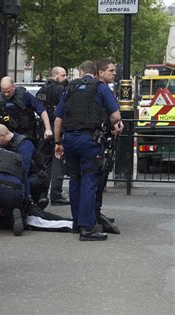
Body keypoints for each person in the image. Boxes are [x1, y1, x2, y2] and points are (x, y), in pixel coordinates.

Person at [54, 60, 123, 241]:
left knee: (75, 180)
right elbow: (116, 115)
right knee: (89, 181)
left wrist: (57, 142)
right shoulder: (100, 87)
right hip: (89, 140)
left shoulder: (69, 88)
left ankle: (77, 223)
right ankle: (87, 228)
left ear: (81, 72)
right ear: (96, 73)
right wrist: (113, 124)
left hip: (69, 139)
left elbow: (58, 119)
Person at [36, 67, 70, 206]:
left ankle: (43, 194)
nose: (65, 77)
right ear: (55, 76)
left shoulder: (41, 91)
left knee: (45, 163)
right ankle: (56, 194)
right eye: (63, 75)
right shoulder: (60, 90)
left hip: (43, 128)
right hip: (56, 127)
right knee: (58, 161)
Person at [94, 58, 121, 234]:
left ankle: (93, 213)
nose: (114, 73)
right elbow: (115, 116)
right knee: (99, 176)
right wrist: (114, 125)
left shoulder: (93, 88)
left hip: (86, 137)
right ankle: (94, 214)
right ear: (100, 72)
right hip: (98, 139)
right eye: (111, 70)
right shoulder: (103, 89)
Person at [0, 76, 53, 142]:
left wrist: (48, 129)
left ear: (14, 87)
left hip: (26, 136)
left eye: (8, 91)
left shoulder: (24, 95)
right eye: (3, 91)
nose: (6, 94)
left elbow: (42, 111)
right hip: (6, 138)